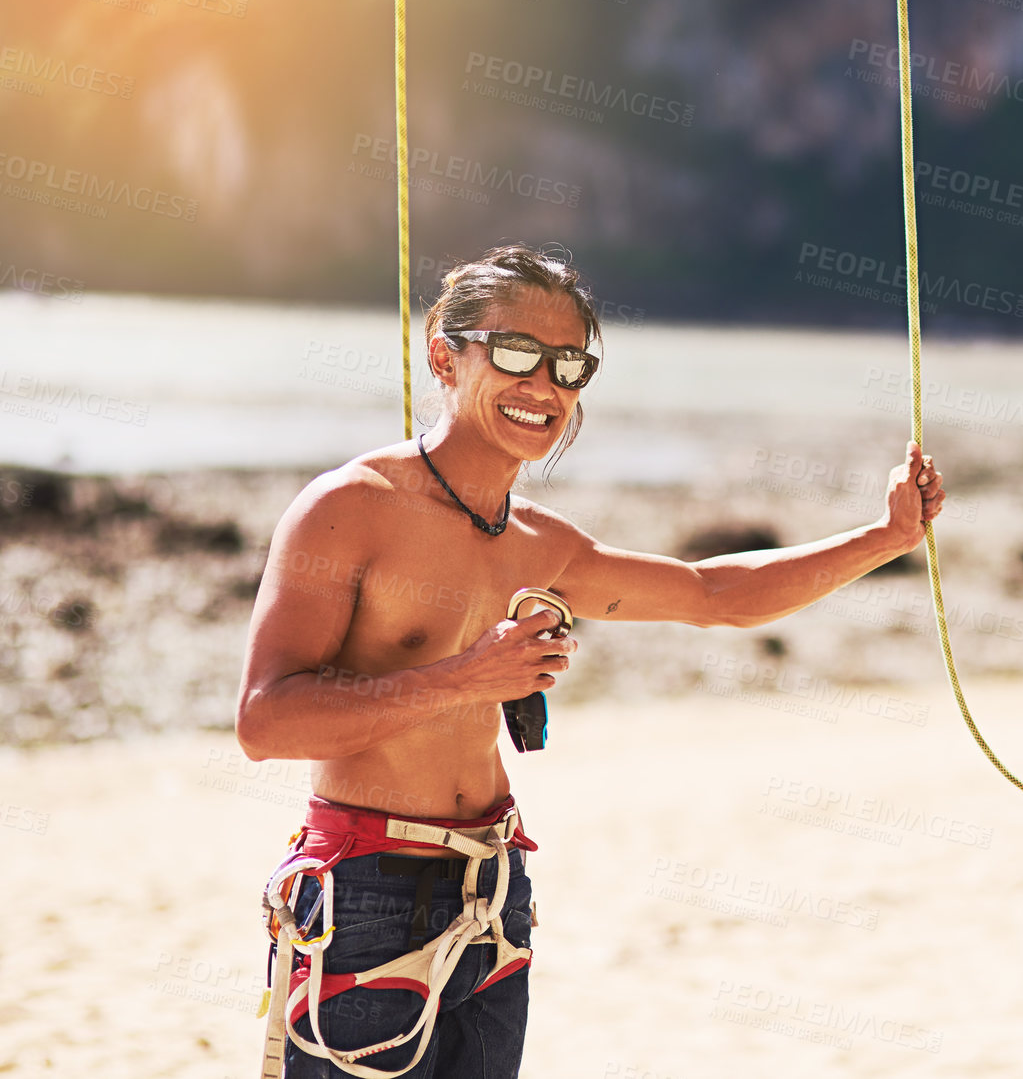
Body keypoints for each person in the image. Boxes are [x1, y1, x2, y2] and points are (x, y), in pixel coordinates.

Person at [235, 243, 945, 1078]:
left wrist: (886, 538)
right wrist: (463, 677)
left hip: (495, 892)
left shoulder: (540, 541)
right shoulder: (349, 508)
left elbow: (712, 595)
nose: (543, 387)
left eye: (569, 366)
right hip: (363, 890)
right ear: (444, 357)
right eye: (514, 354)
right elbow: (265, 720)